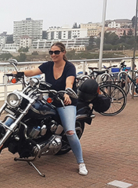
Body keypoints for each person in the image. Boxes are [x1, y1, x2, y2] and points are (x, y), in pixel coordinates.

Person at [15, 42, 88, 176]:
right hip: (50, 100)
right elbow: (32, 72)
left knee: (70, 132)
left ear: (63, 52)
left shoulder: (69, 67)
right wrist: (17, 73)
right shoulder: (48, 65)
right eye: (51, 52)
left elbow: (69, 82)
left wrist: (67, 92)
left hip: (66, 101)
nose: (53, 55)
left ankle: (81, 163)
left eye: (56, 52)